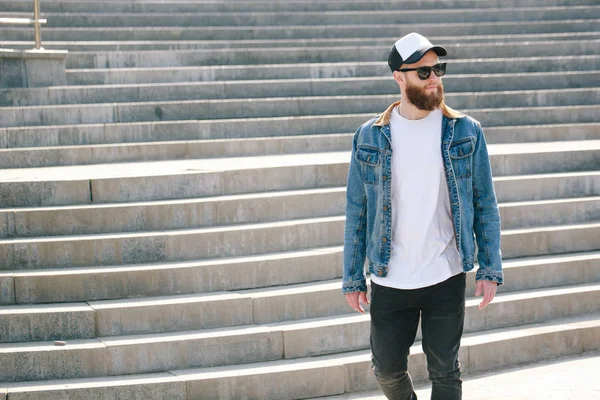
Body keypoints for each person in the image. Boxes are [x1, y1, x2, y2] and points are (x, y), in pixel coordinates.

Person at [342, 32, 503, 400]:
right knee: (385, 370)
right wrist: (352, 277)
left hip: (444, 274)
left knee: (445, 371)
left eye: (438, 69)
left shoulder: (464, 131)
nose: (435, 79)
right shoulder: (369, 137)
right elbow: (357, 210)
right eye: (424, 72)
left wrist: (489, 268)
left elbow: (484, 203)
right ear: (399, 77)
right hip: (389, 277)